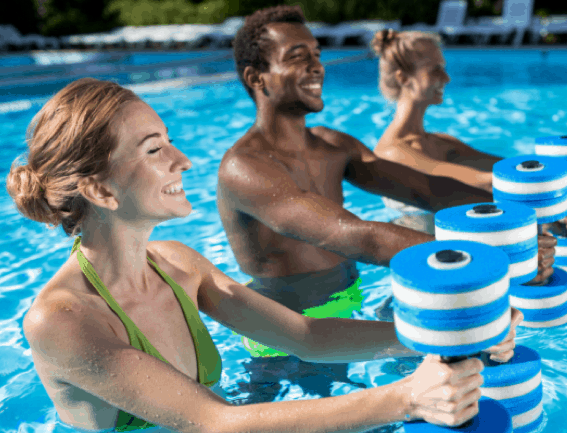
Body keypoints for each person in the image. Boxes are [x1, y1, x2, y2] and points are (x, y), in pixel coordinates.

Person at [7, 77, 521, 433]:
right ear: (100, 191)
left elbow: (305, 337)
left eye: (169, 141)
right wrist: (407, 396)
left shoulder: (178, 264)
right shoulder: (61, 320)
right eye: (152, 149)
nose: (182, 160)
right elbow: (215, 422)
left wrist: (452, 336)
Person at [219, 5, 539, 358]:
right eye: (297, 57)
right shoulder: (245, 168)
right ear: (256, 78)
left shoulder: (333, 145)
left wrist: (519, 225)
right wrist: (475, 262)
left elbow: (428, 190)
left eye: (317, 54)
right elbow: (355, 235)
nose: (316, 66)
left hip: (349, 303)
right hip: (285, 335)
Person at [369, 29, 567, 236]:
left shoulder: (442, 142)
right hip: (426, 284)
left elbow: (513, 170)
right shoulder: (392, 152)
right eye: (435, 70)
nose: (447, 79)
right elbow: (483, 183)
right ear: (404, 78)